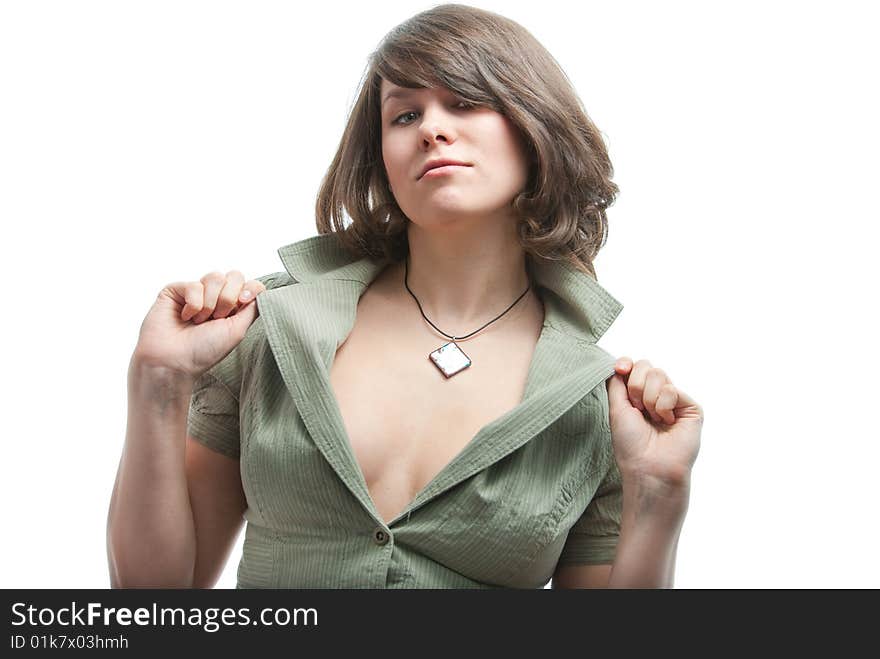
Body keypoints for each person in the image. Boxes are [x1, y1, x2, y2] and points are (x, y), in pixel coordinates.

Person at [106, 3, 703, 589]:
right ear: (382, 156)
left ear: (534, 126)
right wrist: (157, 376)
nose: (432, 129)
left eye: (466, 102)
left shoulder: (600, 406)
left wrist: (659, 496)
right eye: (404, 115)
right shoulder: (268, 328)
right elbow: (154, 600)